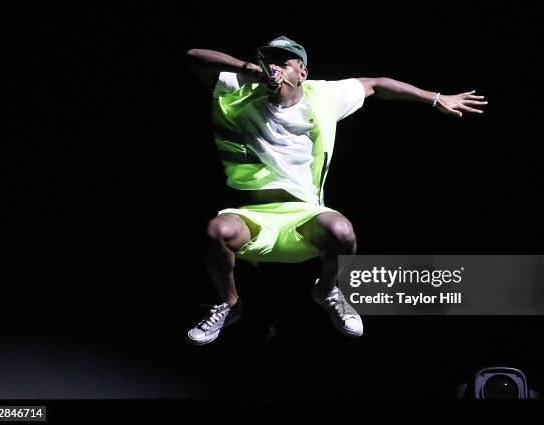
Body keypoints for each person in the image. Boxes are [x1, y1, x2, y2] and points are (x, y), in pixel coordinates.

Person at [185, 36, 487, 345]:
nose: (273, 68)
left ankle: (327, 289)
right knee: (215, 230)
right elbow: (195, 56)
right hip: (253, 218)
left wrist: (436, 98)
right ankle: (232, 304)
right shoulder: (241, 88)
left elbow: (377, 84)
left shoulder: (324, 95)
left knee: (342, 231)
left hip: (305, 219)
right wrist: (248, 69)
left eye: (284, 63)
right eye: (269, 62)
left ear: (302, 73)